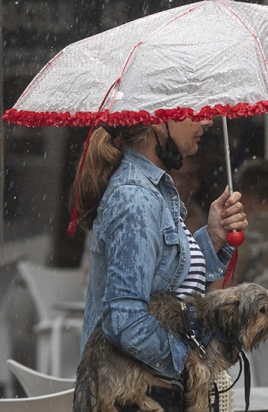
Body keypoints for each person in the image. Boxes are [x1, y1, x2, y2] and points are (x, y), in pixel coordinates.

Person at [72, 118, 247, 412]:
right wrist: (187, 360)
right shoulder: (135, 198)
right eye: (191, 108)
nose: (206, 118)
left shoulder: (155, 191)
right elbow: (124, 318)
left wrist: (213, 239)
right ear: (159, 122)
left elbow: (174, 288)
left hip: (153, 394)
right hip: (138, 398)